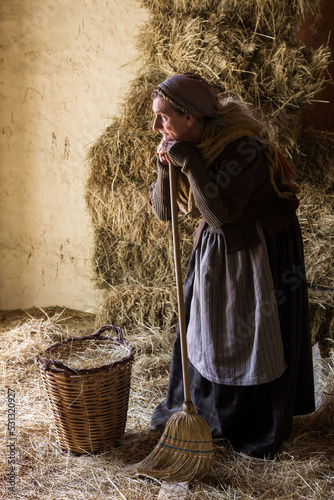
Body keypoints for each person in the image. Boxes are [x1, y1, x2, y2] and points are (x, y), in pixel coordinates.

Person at [148, 73, 315, 458]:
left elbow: (221, 214)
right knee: (204, 327)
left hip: (257, 248)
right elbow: (163, 212)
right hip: (217, 246)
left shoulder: (243, 148)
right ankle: (203, 413)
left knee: (249, 333)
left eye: (164, 117)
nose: (157, 127)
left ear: (190, 117)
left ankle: (249, 424)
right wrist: (164, 167)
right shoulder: (188, 141)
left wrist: (187, 161)